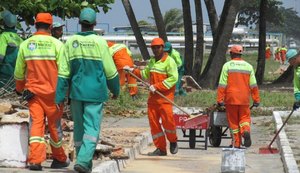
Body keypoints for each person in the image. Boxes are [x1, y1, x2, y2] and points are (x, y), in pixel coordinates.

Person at [55, 8, 120, 173]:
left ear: (79, 23)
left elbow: (63, 72)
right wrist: (116, 90)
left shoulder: (70, 42)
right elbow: (110, 71)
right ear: (95, 24)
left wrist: (60, 96)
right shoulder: (100, 42)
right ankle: (83, 161)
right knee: (91, 129)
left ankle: (84, 163)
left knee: (79, 128)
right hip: (95, 94)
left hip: (76, 94)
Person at [14, 13, 69, 170]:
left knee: (36, 126)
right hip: (53, 95)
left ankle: (35, 160)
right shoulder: (58, 45)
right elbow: (64, 72)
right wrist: (64, 93)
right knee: (54, 126)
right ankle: (59, 158)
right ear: (51, 27)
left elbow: (18, 72)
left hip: (34, 94)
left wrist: (19, 89)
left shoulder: (26, 44)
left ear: (35, 25)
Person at [124, 38, 179, 156]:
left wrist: (157, 86)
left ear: (163, 47)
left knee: (168, 123)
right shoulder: (152, 62)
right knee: (154, 125)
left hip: (165, 99)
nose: (155, 50)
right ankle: (161, 149)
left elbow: (173, 78)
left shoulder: (169, 62)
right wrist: (132, 70)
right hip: (153, 99)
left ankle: (173, 141)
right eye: (153, 48)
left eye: (158, 47)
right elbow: (145, 74)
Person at [216, 45, 260, 148]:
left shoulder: (227, 66)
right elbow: (253, 85)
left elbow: (222, 84)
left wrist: (220, 99)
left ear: (231, 54)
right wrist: (256, 99)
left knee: (233, 121)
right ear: (241, 54)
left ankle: (236, 143)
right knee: (244, 119)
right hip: (244, 99)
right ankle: (245, 131)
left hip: (231, 99)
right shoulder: (248, 66)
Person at [0, 10, 23, 88]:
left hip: (4, 73)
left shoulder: (3, 36)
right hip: (15, 74)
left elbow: (0, 56)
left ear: (4, 23)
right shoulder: (19, 38)